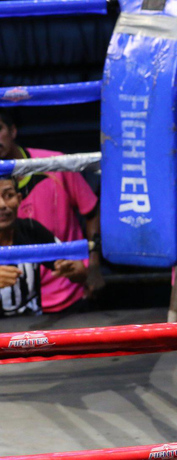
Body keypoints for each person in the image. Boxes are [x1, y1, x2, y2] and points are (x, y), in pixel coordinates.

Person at [0, 108, 104, 313]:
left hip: (66, 294)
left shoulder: (55, 165)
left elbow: (91, 212)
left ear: (12, 131)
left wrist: (92, 267)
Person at [0, 177, 87, 317]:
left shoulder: (32, 230)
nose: (2, 204)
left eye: (9, 196)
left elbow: (80, 273)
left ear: (19, 199)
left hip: (31, 330)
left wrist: (74, 270)